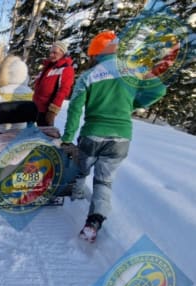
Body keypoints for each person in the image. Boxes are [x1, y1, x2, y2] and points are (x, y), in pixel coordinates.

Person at [61, 31, 167, 242]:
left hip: (93, 134)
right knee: (104, 181)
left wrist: (67, 137)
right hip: (121, 138)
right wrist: (133, 104)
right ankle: (94, 221)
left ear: (97, 53)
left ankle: (76, 197)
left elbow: (74, 108)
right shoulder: (133, 71)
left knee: (81, 171)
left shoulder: (88, 76)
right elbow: (158, 90)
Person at [33, 41, 75, 126]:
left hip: (47, 111)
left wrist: (52, 111)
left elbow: (63, 91)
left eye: (55, 53)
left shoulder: (66, 69)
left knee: (44, 136)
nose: (51, 55)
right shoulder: (48, 66)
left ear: (62, 53)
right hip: (37, 107)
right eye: (51, 52)